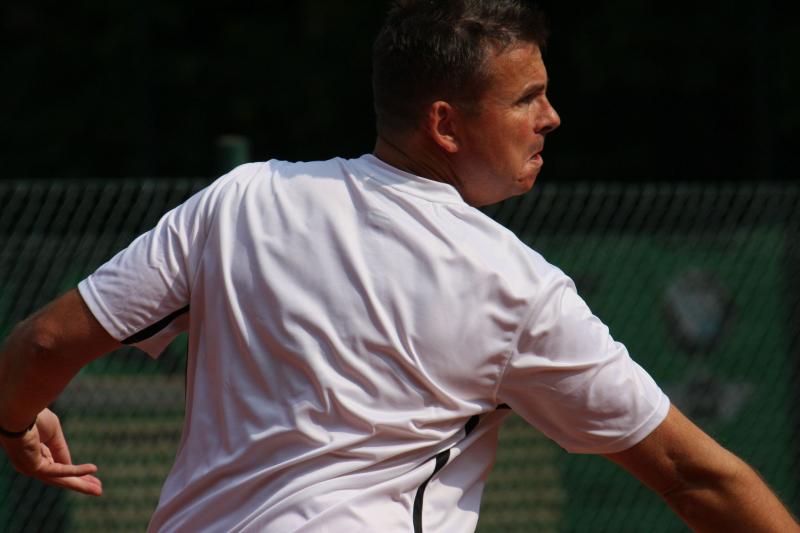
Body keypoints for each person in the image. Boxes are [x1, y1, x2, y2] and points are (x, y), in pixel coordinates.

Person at [0, 1, 797, 531]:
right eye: (527, 97)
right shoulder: (517, 287)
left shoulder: (242, 199)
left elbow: (43, 344)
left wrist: (13, 418)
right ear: (446, 125)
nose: (551, 117)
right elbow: (697, 478)